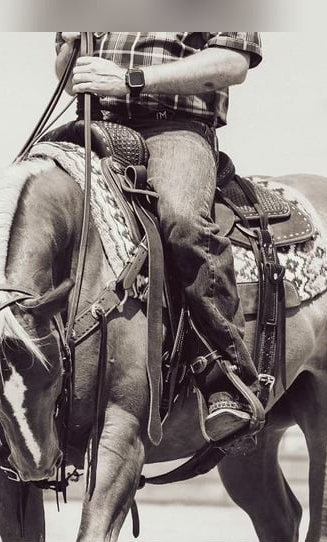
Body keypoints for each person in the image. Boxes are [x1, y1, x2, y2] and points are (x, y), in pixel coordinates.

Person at [55, 32, 264, 443]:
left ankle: (226, 374)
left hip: (175, 129)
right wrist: (68, 51)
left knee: (182, 221)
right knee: (19, 202)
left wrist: (130, 79)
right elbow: (69, 77)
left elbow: (231, 64)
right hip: (96, 126)